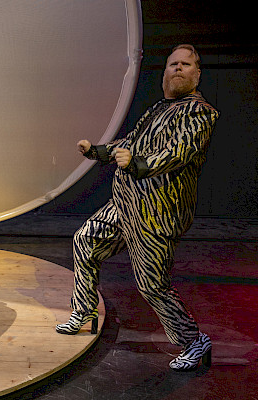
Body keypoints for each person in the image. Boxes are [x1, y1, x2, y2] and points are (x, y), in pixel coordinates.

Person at [55, 44, 219, 371]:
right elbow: (128, 145)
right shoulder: (159, 109)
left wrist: (137, 164)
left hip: (155, 213)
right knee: (85, 241)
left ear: (198, 74)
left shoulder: (200, 113)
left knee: (152, 285)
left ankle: (194, 341)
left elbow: (178, 153)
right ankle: (84, 310)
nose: (178, 68)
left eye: (186, 64)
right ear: (164, 73)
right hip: (124, 205)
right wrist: (96, 151)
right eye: (173, 64)